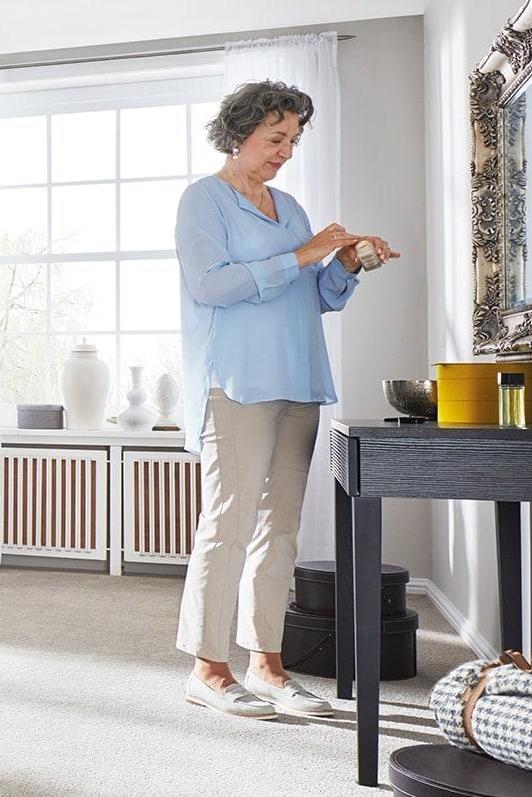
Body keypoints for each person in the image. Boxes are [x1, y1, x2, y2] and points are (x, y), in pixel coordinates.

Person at [173, 81, 399, 719]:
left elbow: (316, 295)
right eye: (276, 139)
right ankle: (207, 668)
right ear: (239, 133)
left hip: (299, 380)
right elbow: (212, 287)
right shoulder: (203, 202)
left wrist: (349, 264)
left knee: (280, 529)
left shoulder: (290, 206)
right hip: (237, 382)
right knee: (228, 525)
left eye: (293, 140)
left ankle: (266, 663)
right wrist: (301, 255)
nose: (285, 152)